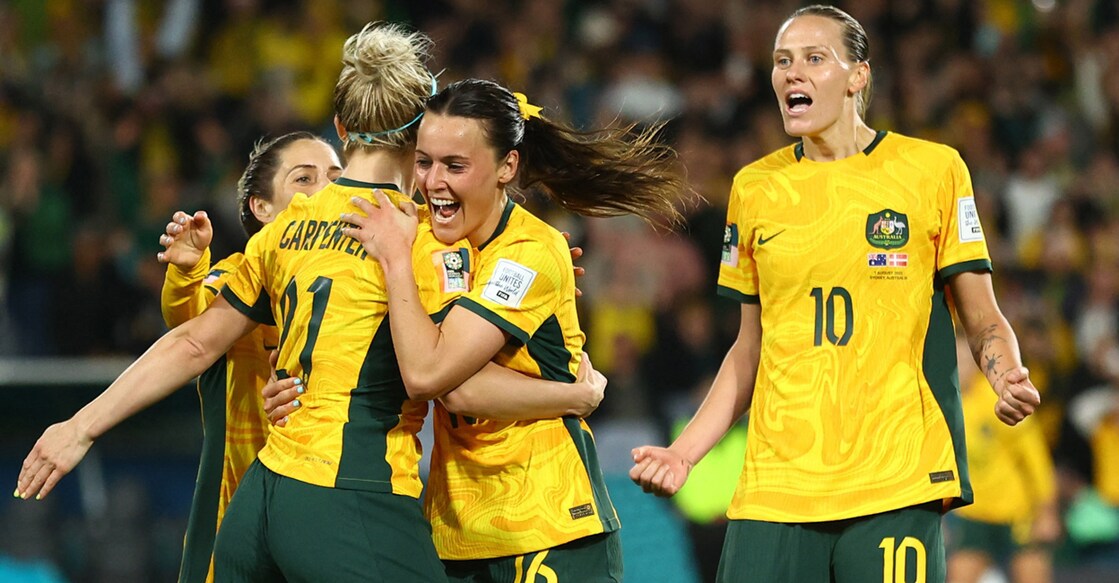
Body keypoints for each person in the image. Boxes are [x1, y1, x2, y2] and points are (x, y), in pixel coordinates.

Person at [14, 23, 604, 582]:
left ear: (341, 129)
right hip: (351, 494)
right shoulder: (427, 237)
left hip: (260, 498)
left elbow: (194, 341)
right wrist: (563, 358)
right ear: (420, 129)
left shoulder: (289, 223)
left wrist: (80, 426)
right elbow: (454, 380)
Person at [627, 5, 1041, 582]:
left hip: (895, 475)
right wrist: (684, 452)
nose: (791, 73)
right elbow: (750, 349)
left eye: (814, 58)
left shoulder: (933, 171)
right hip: (778, 481)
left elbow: (983, 316)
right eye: (781, 61)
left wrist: (1006, 375)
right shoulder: (755, 188)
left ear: (858, 76)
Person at [338, 77, 687, 582]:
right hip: (456, 531)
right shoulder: (414, 237)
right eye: (425, 161)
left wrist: (395, 264)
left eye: (455, 166)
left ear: (507, 167)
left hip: (548, 525)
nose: (434, 182)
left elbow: (436, 378)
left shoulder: (529, 253)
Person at [158, 131, 342, 583]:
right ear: (262, 208)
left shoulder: (363, 284)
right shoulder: (239, 278)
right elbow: (190, 329)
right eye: (304, 178)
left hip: (331, 523)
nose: (325, 190)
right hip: (234, 521)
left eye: (337, 178)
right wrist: (187, 274)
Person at [946, 334, 1059, 583]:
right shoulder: (946, 405)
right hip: (973, 513)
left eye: (966, 359)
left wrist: (1046, 511)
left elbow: (1035, 458)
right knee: (958, 575)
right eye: (953, 358)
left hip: (1016, 511)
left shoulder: (1001, 399)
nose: (959, 365)